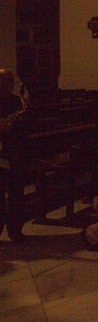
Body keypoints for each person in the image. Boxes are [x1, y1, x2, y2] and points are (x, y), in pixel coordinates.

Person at [0, 69, 29, 242]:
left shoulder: (19, 102)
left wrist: (13, 128)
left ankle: (15, 230)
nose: (5, 85)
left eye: (8, 81)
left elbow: (26, 126)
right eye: (2, 81)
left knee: (17, 193)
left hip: (15, 152)